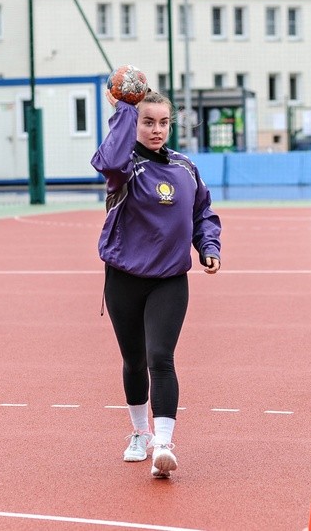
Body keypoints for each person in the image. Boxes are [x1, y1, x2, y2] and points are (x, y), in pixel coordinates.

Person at [91, 89, 222, 478]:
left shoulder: (184, 167)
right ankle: (139, 433)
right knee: (133, 361)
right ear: (135, 124)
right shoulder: (123, 168)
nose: (156, 130)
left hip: (169, 280)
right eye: (148, 122)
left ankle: (164, 444)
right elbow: (107, 159)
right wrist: (124, 114)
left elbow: (202, 212)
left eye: (163, 122)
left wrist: (208, 245)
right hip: (124, 279)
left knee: (160, 358)